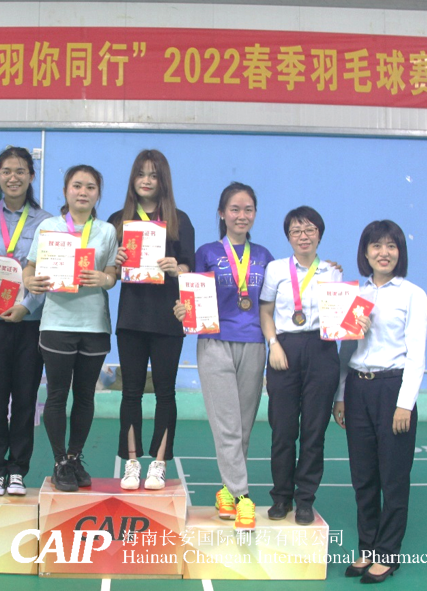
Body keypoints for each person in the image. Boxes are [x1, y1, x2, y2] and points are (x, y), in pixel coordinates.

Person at [332, 220, 427, 583]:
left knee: (393, 476)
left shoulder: (413, 295)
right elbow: (346, 351)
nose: (383, 253)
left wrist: (405, 403)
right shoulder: (353, 294)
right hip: (358, 389)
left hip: (393, 388)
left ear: (400, 252)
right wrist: (341, 395)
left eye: (391, 246)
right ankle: (368, 547)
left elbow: (416, 354)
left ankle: (388, 553)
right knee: (363, 476)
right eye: (376, 246)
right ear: (366, 252)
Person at [175, 182, 273, 530]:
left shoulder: (264, 256)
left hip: (254, 344)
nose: (241, 215)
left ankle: (227, 492)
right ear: (222, 213)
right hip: (215, 343)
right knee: (227, 424)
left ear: (255, 214)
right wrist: (183, 309)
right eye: (234, 209)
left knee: (243, 427)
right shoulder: (206, 253)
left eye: (248, 209)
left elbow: (274, 301)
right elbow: (192, 295)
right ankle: (243, 496)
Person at [23, 164, 118, 492]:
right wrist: (29, 281)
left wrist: (104, 278)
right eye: (77, 186)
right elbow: (30, 267)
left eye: (90, 187)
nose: (83, 192)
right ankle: (60, 460)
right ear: (66, 191)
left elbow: (112, 274)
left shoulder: (106, 231)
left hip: (94, 324)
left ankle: (75, 457)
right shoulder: (48, 227)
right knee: (57, 394)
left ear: (97, 194)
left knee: (85, 395)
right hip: (57, 323)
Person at [108, 149, 195, 491]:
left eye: (153, 174)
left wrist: (177, 267)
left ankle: (159, 463)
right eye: (141, 174)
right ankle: (131, 462)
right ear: (133, 179)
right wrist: (116, 261)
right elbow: (109, 272)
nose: (146, 180)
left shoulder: (179, 219)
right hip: (131, 318)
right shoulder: (119, 219)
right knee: (130, 393)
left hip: (168, 319)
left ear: (163, 180)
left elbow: (189, 267)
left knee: (165, 393)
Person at [0, 147, 52, 496]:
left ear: (31, 176)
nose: (13, 177)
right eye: (6, 171)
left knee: (24, 396)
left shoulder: (47, 222)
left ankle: (18, 469)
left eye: (20, 171)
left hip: (29, 320)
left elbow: (48, 274)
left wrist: (26, 307)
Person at [260, 206, 341, 525]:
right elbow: (265, 312)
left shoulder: (333, 272)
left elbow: (340, 317)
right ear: (288, 236)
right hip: (284, 350)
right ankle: (281, 496)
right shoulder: (276, 269)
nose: (303, 236)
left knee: (314, 431)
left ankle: (305, 498)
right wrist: (273, 344)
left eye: (309, 230)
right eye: (296, 231)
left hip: (322, 351)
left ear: (319, 234)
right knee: (282, 430)